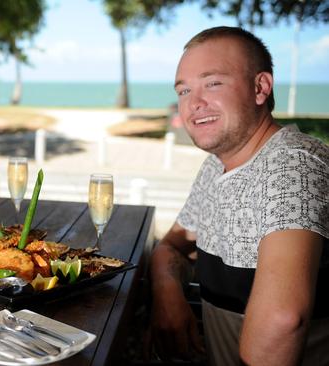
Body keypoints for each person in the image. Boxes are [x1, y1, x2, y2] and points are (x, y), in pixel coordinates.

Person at [148, 26, 329, 365]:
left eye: (212, 83)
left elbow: (283, 320)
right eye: (184, 90)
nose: (194, 103)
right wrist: (168, 292)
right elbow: (173, 246)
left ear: (260, 87)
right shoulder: (218, 166)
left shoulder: (293, 166)